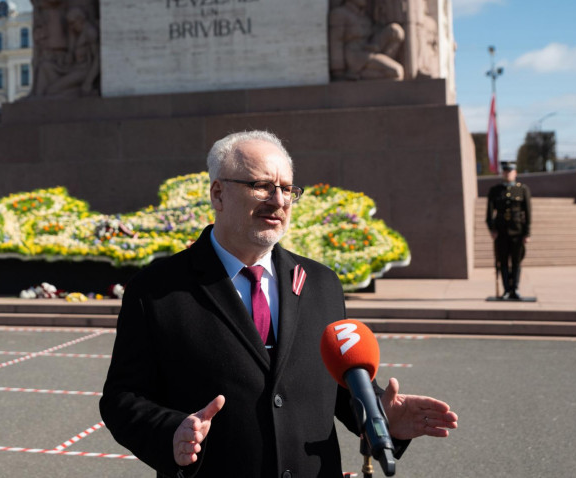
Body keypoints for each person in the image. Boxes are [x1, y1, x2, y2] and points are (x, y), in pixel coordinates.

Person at [100, 130, 458, 477]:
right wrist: (171, 433)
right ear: (218, 194)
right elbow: (122, 398)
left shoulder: (322, 284)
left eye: (287, 189)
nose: (279, 200)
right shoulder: (156, 289)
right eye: (261, 185)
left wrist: (382, 415)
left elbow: (339, 388)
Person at [486, 161, 531, 300]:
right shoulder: (495, 190)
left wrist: (527, 233)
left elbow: (528, 212)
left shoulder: (521, 189)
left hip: (517, 231)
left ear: (515, 173)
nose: (507, 174)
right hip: (501, 232)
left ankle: (515, 289)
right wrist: (492, 229)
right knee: (503, 262)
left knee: (517, 262)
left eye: (510, 171)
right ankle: (506, 290)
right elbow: (489, 213)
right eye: (505, 171)